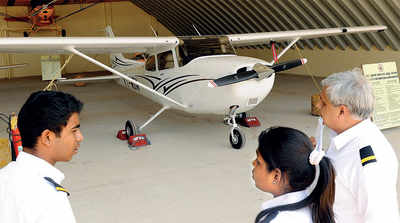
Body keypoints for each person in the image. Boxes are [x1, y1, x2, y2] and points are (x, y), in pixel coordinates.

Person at [317, 69, 399, 222]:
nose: (317, 105)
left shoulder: (369, 161)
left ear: (342, 111)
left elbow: (381, 218)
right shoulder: (346, 137)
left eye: (323, 102)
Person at [0, 90, 84, 223]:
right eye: (74, 131)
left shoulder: (4, 176)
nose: (80, 137)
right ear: (47, 137)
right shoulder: (52, 200)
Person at [252, 126, 335, 223]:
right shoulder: (314, 207)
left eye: (258, 162)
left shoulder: (275, 220)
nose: (253, 163)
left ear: (276, 176)